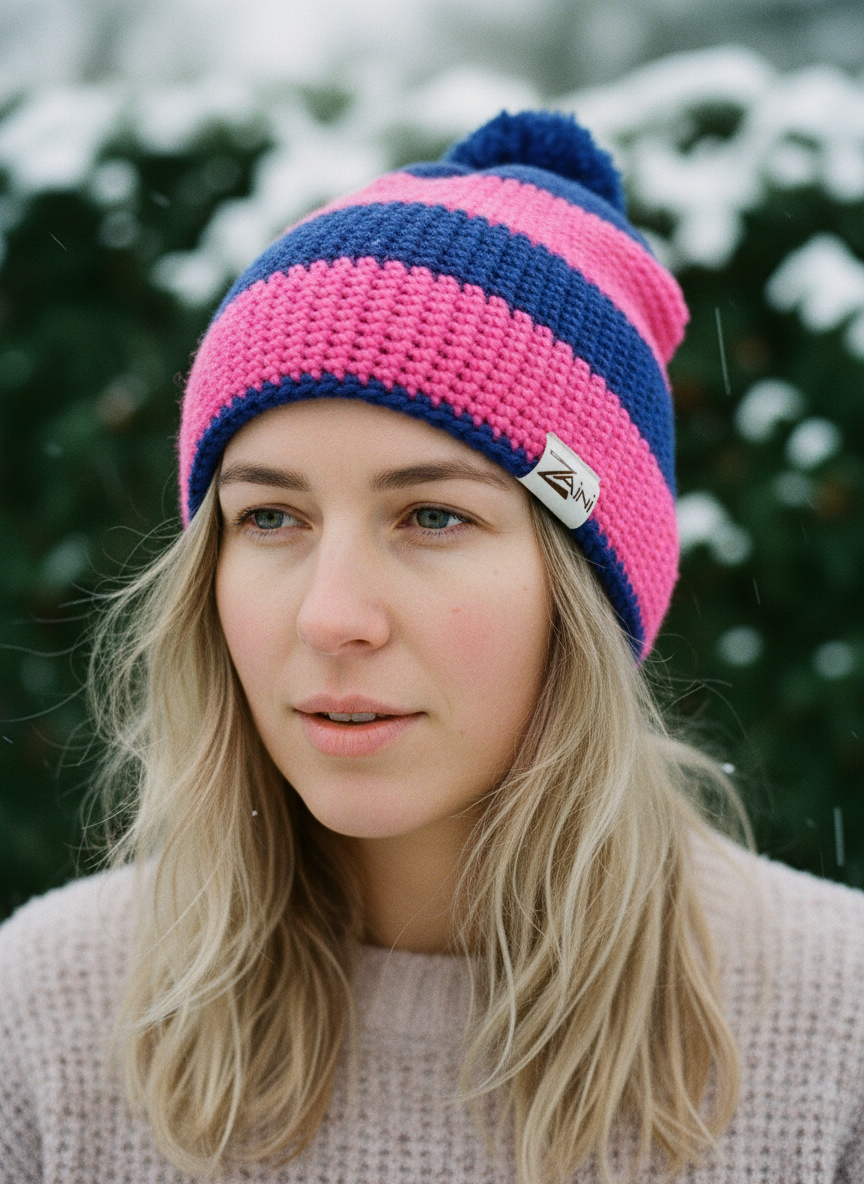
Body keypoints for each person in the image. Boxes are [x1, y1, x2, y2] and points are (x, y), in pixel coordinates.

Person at [1, 110, 863, 1184]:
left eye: (432, 516)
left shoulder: (838, 1027)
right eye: (270, 516)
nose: (331, 615)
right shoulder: (44, 1013)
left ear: (584, 585)